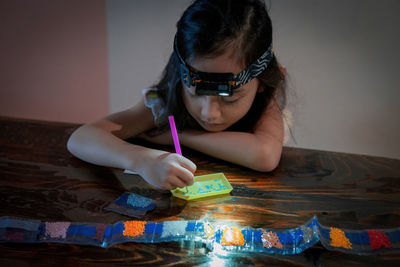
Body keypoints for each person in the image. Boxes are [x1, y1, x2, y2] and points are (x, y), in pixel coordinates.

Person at [67, 0, 289, 190]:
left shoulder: (266, 94)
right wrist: (142, 160)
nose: (208, 112)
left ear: (262, 81)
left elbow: (265, 156)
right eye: (194, 92)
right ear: (181, 75)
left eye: (230, 98)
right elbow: (81, 138)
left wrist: (182, 134)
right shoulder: (165, 102)